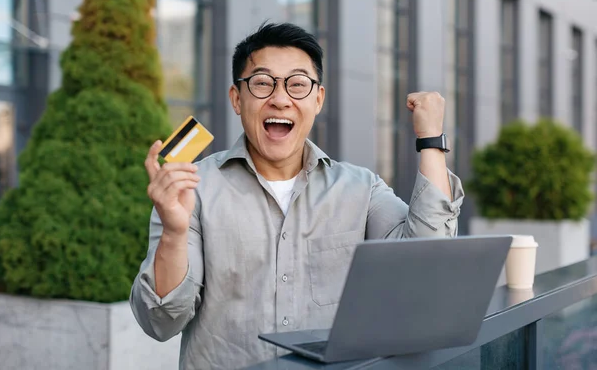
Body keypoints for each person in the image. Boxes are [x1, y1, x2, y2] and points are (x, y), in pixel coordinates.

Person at [130, 22, 464, 370]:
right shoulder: (192, 190)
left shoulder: (362, 188)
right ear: (236, 99)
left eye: (298, 84)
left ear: (318, 99)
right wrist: (174, 231)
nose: (280, 98)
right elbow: (160, 322)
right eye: (262, 83)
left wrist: (431, 141)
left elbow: (427, 261)